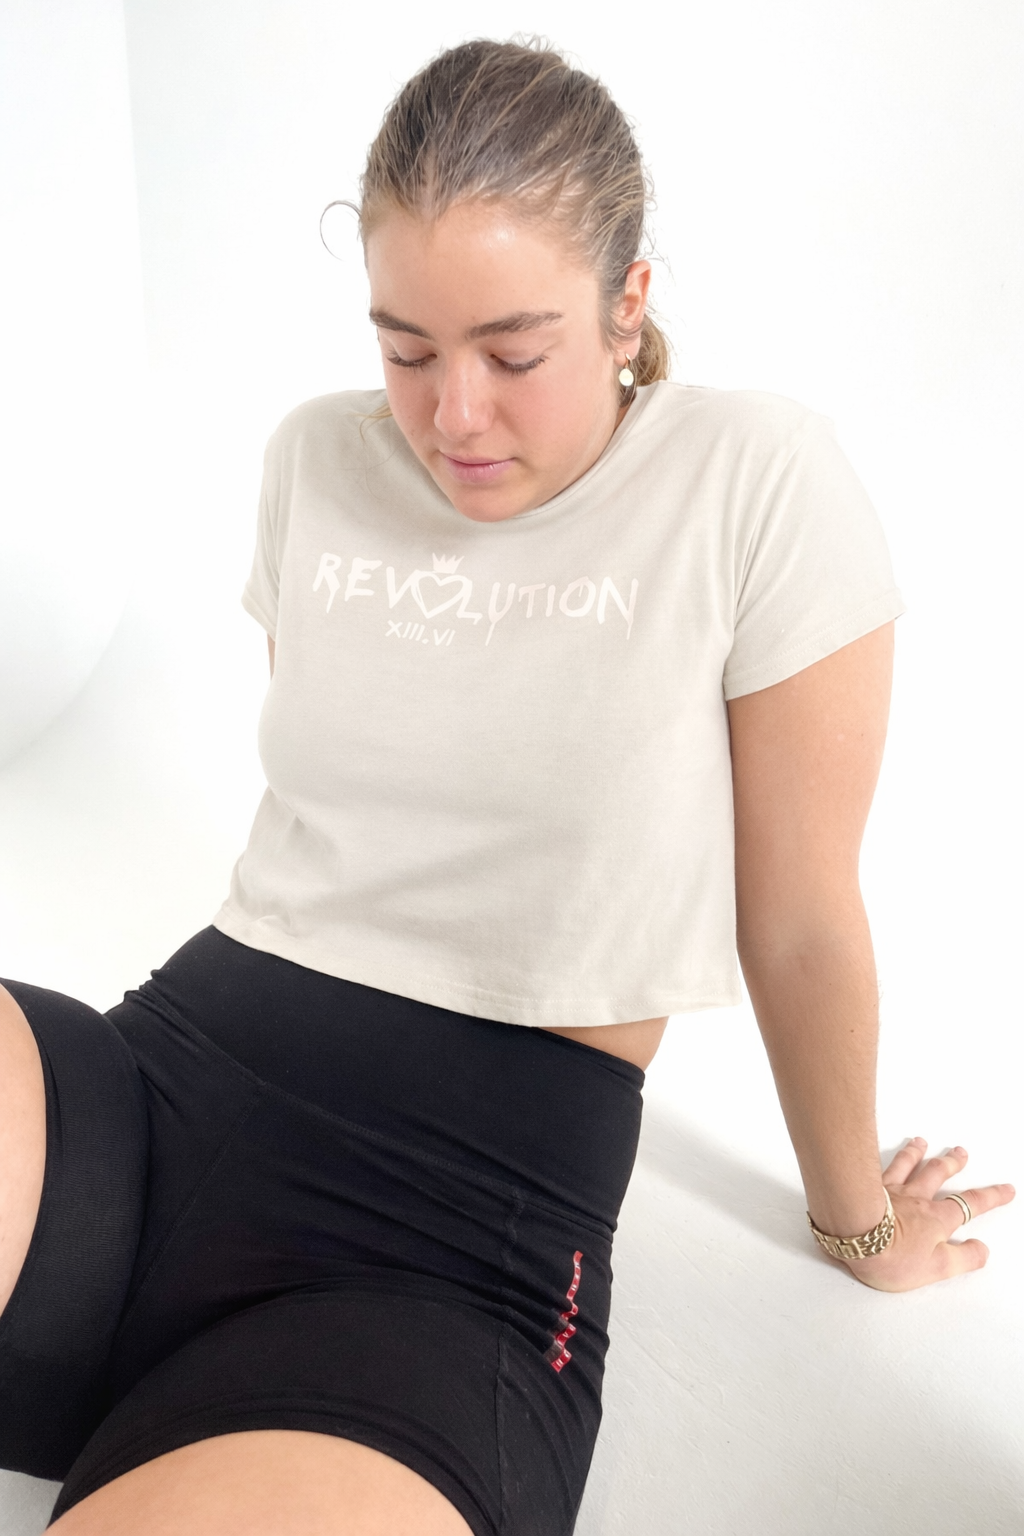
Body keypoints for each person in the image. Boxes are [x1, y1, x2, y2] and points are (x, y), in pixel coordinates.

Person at [0, 36, 1014, 1536]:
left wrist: (857, 1223)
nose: (452, 415)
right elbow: (352, 817)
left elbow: (798, 916)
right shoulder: (313, 458)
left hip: (446, 1253)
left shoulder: (755, 482)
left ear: (627, 304)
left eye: (513, 354)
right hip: (149, 1104)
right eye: (405, 350)